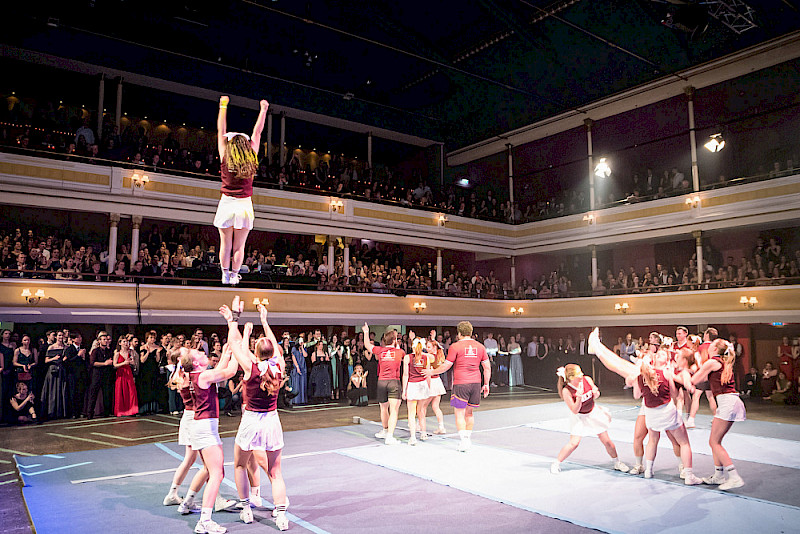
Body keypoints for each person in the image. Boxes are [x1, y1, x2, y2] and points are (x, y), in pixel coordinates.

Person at [226, 302, 289, 530]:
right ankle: (281, 516)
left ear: (256, 352)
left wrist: (234, 318)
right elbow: (276, 349)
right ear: (273, 351)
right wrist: (265, 320)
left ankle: (246, 509)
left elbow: (234, 343)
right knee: (275, 472)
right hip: (272, 419)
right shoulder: (279, 365)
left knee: (240, 465)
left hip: (252, 419)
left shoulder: (250, 367)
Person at [180, 301, 241, 534]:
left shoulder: (198, 374)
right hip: (205, 428)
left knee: (208, 469)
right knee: (217, 472)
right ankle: (205, 520)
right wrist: (236, 342)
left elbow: (223, 366)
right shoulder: (203, 376)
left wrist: (229, 346)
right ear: (196, 362)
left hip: (201, 426)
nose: (203, 353)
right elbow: (231, 371)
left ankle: (188, 502)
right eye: (199, 353)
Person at [214, 96, 268, 285]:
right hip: (245, 205)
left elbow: (221, 128)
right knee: (239, 246)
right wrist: (263, 109)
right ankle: (234, 275)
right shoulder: (252, 157)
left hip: (227, 203)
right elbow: (258, 132)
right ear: (246, 145)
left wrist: (223, 106)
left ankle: (224, 273)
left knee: (225, 244)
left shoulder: (224, 155)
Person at [633, 349, 702, 485]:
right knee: (683, 442)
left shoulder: (643, 375)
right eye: (658, 354)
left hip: (651, 412)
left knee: (654, 440)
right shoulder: (665, 372)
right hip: (665, 410)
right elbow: (674, 394)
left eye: (663, 354)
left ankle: (649, 470)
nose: (659, 355)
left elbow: (636, 395)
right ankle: (688, 475)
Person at [424, 321, 490, 452]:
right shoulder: (480, 347)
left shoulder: (455, 346)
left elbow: (446, 366)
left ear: (459, 333)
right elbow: (487, 367)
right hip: (476, 383)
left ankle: (464, 441)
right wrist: (486, 383)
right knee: (469, 413)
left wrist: (432, 371)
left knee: (459, 413)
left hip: (461, 383)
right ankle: (468, 439)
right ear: (471, 333)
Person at [550, 364, 629, 474]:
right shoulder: (567, 391)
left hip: (592, 412)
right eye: (578, 374)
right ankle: (556, 463)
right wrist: (578, 397)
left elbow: (595, 394)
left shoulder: (586, 379)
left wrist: (596, 392)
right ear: (572, 378)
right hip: (579, 417)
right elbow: (574, 410)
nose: (582, 374)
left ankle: (617, 462)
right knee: (574, 443)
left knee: (607, 441)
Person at [691, 338, 747, 490]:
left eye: (711, 345)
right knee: (715, 441)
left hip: (727, 403)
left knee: (714, 442)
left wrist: (685, 372)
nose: (708, 347)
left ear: (715, 349)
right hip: (729, 401)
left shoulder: (712, 362)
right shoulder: (722, 361)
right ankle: (719, 475)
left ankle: (734, 477)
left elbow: (695, 380)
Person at [363, 323, 404, 445]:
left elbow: (366, 345)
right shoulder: (400, 352)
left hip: (381, 382)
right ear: (395, 340)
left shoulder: (380, 350)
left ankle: (385, 431)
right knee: (394, 410)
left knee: (383, 408)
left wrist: (366, 332)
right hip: (393, 382)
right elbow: (399, 353)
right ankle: (390, 436)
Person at [402, 337, 433, 445]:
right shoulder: (426, 358)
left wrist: (403, 390)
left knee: (411, 413)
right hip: (423, 385)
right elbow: (428, 374)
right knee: (421, 411)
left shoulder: (407, 357)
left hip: (412, 385)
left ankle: (413, 437)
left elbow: (405, 375)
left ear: (412, 346)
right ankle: (423, 433)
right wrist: (428, 388)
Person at [40, 330, 68, 420]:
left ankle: (61, 412)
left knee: (61, 390)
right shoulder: (51, 347)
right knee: (52, 390)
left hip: (62, 370)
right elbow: (46, 360)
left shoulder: (66, 347)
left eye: (62, 336)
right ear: (56, 337)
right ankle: (51, 412)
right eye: (59, 335)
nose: (60, 337)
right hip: (53, 371)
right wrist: (54, 358)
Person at [87, 331, 115, 418]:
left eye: (106, 339)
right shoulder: (95, 351)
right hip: (97, 375)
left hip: (106, 375)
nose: (106, 341)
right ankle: (90, 413)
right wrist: (104, 363)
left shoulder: (109, 351)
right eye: (104, 339)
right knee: (93, 394)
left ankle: (106, 412)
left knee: (106, 394)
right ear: (99, 341)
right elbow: (92, 363)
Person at [62, 332, 87, 418]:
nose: (80, 339)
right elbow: (67, 362)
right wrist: (78, 355)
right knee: (73, 393)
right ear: (73, 339)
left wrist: (83, 358)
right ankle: (73, 412)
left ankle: (80, 411)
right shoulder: (69, 349)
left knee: (80, 393)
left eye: (80, 337)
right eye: (77, 337)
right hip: (72, 375)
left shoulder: (82, 348)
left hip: (81, 374)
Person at [113, 337, 139, 417]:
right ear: (120, 343)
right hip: (121, 374)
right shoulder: (117, 353)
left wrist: (132, 362)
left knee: (131, 391)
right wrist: (124, 363)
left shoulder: (130, 353)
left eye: (126, 342)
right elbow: (114, 365)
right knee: (121, 391)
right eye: (124, 341)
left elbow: (134, 363)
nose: (125, 343)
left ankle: (132, 410)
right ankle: (121, 411)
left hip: (128, 373)